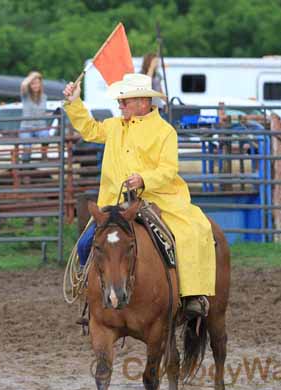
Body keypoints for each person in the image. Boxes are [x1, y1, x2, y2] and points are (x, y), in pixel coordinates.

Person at [62, 73, 216, 317]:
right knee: (84, 244)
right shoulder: (113, 126)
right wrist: (74, 102)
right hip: (114, 202)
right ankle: (90, 295)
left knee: (190, 233)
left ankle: (190, 294)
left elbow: (168, 169)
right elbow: (90, 130)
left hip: (159, 199)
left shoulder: (165, 132)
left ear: (143, 102)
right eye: (120, 101)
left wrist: (144, 179)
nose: (119, 105)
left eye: (125, 101)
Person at [20, 71, 49, 161]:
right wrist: (33, 76)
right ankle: (26, 168)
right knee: (27, 146)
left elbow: (42, 113)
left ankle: (44, 157)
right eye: (33, 83)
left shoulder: (44, 97)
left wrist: (49, 115)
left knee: (46, 136)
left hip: (41, 127)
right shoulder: (25, 95)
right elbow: (23, 85)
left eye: (37, 83)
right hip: (27, 127)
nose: (35, 85)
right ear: (29, 85)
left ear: (40, 84)